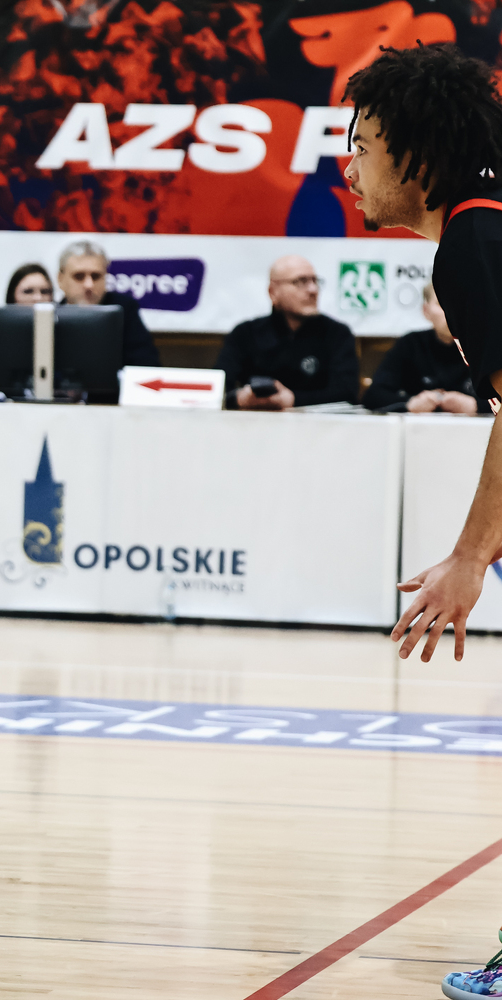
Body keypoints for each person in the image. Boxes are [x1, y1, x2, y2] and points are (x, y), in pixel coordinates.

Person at [341, 43, 502, 999]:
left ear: (416, 153)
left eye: (362, 145)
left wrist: (468, 557)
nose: (350, 167)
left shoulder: (473, 246)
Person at [214, 256, 359, 410]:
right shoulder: (245, 333)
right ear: (273, 292)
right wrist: (239, 398)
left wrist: (293, 399)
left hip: (318, 424)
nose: (313, 290)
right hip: (252, 422)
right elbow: (218, 386)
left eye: (315, 281)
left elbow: (347, 393)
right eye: (301, 282)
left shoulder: (337, 334)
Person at [361, 283, 479, 413]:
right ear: (426, 311)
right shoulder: (411, 345)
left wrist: (476, 405)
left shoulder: (484, 347)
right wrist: (410, 403)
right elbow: (374, 395)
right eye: (441, 304)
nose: (451, 312)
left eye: (459, 304)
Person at [55, 241, 160, 366]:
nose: (89, 285)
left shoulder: (123, 309)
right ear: (60, 279)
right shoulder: (50, 316)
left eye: (96, 276)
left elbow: (146, 362)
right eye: (79, 276)